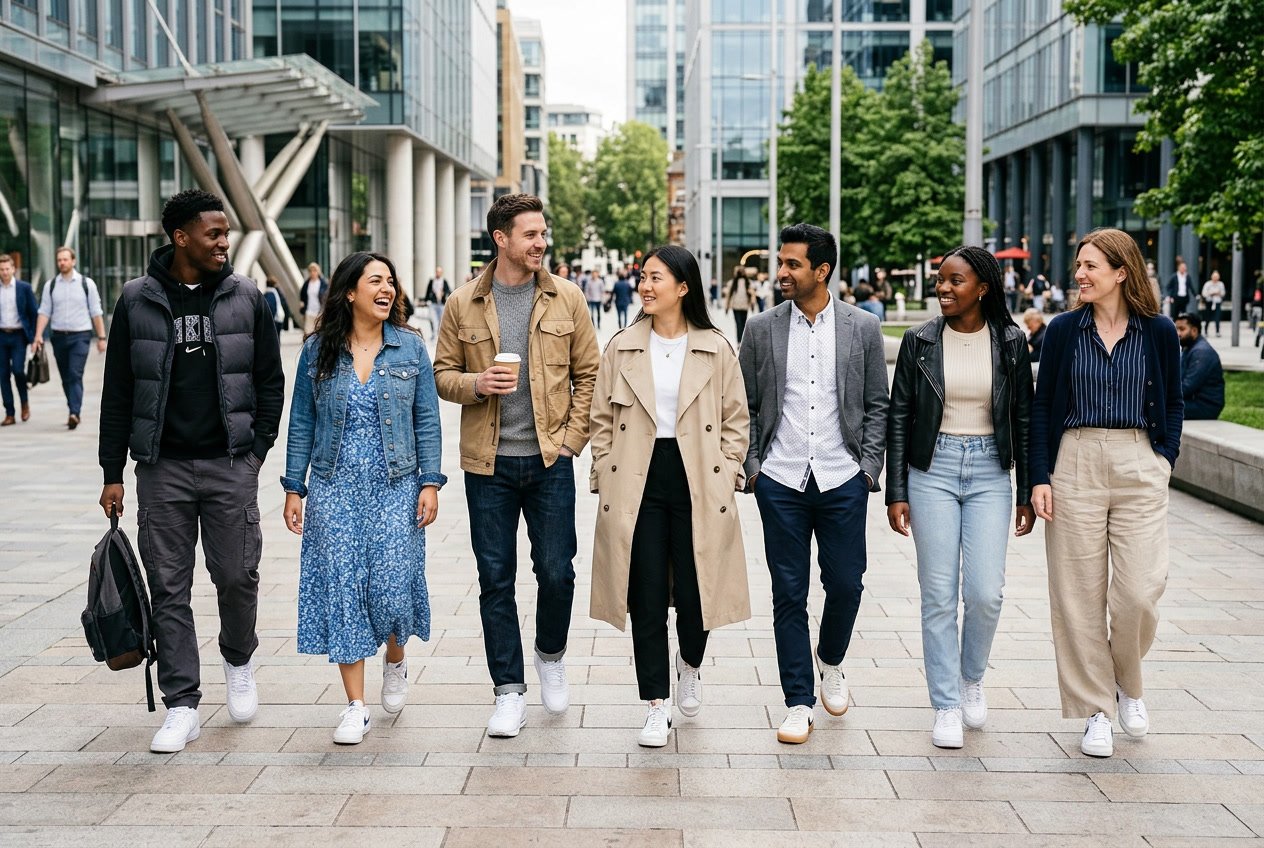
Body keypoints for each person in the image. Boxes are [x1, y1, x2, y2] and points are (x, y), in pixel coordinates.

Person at [98, 189, 285, 753]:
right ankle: (182, 703)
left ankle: (239, 658)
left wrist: (256, 453)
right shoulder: (136, 300)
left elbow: (271, 381)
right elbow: (118, 393)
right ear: (180, 237)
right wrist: (112, 471)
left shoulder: (248, 296)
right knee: (168, 588)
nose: (224, 242)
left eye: (226, 233)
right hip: (162, 469)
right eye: (214, 233)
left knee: (237, 575)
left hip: (230, 463)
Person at [433, 193, 600, 737]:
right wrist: (477, 384)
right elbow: (442, 374)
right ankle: (507, 690)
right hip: (489, 466)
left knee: (557, 572)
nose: (541, 242)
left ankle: (550, 654)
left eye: (543, 233)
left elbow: (589, 376)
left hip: (550, 461)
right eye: (530, 234)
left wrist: (572, 440)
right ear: (500, 238)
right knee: (494, 578)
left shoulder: (567, 298)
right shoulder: (463, 303)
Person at [589, 244, 751, 747]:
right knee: (646, 593)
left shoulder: (716, 346)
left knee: (700, 589)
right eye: (643, 276)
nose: (645, 284)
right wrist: (603, 469)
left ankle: (690, 664)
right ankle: (654, 704)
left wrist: (726, 472)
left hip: (699, 477)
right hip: (638, 477)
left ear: (683, 287)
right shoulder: (622, 345)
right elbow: (599, 420)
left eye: (656, 277)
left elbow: (735, 421)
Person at [1030, 227, 1182, 759]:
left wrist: (1164, 459)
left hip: (1140, 460)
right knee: (1078, 595)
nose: (1079, 275)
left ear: (1122, 272)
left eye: (1090, 266)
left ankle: (1127, 684)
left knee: (1139, 593)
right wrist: (1039, 476)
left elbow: (1175, 400)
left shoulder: (1159, 331)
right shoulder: (1064, 330)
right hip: (1074, 461)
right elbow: (1042, 406)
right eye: (1078, 265)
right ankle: (1096, 709)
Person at [281, 252, 445, 744]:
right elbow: (302, 423)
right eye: (376, 280)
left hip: (396, 483)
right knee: (343, 589)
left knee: (393, 584)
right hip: (334, 487)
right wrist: (295, 488)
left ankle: (395, 656)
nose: (387, 289)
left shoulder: (410, 348)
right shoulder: (318, 351)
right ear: (349, 292)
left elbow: (427, 420)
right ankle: (355, 706)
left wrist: (430, 482)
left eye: (390, 281)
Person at [739, 223, 889, 745]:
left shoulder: (862, 328)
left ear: (821, 271)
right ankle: (798, 700)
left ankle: (831, 660)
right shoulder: (759, 329)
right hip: (779, 480)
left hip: (841, 476)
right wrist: (754, 468)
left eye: (792, 264)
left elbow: (877, 404)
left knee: (847, 583)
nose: (780, 272)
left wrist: (868, 467)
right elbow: (746, 405)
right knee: (788, 592)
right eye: (781, 263)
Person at [886, 245, 1035, 749]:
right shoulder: (920, 340)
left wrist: (1025, 493)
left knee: (986, 593)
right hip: (933, 469)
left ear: (983, 287)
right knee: (938, 593)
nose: (943, 289)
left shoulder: (1012, 342)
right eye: (940, 280)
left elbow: (1025, 419)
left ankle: (973, 677)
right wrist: (897, 490)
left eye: (955, 281)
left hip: (992, 471)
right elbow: (899, 416)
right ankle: (946, 703)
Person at [31, 247, 107, 429]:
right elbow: (44, 312)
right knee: (66, 377)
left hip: (80, 336)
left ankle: (75, 412)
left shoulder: (86, 284)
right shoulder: (51, 285)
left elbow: (96, 312)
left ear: (73, 261)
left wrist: (102, 337)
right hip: (58, 337)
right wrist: (38, 336)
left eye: (65, 259)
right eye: (59, 260)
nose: (62, 263)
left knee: (74, 373)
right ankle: (72, 408)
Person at [0, 254, 37, 426]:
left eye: (7, 269)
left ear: (13, 269)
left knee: (17, 370)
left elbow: (33, 313)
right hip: (1, 336)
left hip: (18, 336)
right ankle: (9, 413)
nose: (5, 272)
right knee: (3, 375)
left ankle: (24, 402)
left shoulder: (24, 288)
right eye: (2, 269)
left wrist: (35, 337)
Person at [1175, 312, 1225, 420]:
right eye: (1176, 329)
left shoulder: (1201, 352)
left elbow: (1188, 387)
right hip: (1193, 402)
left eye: (1182, 329)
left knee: (1156, 408)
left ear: (1194, 331)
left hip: (1205, 406)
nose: (1178, 333)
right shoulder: (1189, 348)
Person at [724, 266, 753, 343]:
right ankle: (740, 341)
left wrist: (726, 307)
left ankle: (740, 341)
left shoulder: (735, 282)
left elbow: (728, 296)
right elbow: (728, 295)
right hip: (740, 306)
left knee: (740, 324)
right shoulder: (745, 282)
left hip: (740, 306)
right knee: (741, 324)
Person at [300, 262, 328, 335]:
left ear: (318, 272)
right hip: (309, 311)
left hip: (319, 312)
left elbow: (326, 296)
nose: (312, 273)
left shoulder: (323, 284)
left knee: (319, 334)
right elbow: (302, 295)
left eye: (314, 271)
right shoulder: (306, 284)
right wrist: (302, 302)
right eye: (311, 271)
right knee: (307, 334)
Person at [425, 266, 451, 336]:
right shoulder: (432, 281)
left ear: (441, 273)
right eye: (437, 271)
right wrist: (426, 300)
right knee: (433, 320)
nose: (438, 273)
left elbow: (448, 291)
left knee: (441, 320)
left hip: (441, 304)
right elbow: (428, 291)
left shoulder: (444, 281)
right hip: (433, 303)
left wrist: (443, 293)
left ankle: (440, 335)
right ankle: (434, 335)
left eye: (439, 272)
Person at [1200, 270, 1226, 336]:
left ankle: (1217, 331)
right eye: (1214, 276)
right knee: (1207, 317)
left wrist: (1218, 293)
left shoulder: (1221, 284)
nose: (1215, 278)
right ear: (1212, 277)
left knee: (1217, 317)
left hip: (1217, 302)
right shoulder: (1208, 284)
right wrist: (1211, 293)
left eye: (1216, 277)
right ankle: (1205, 331)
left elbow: (1223, 293)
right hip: (1209, 302)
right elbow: (1204, 293)